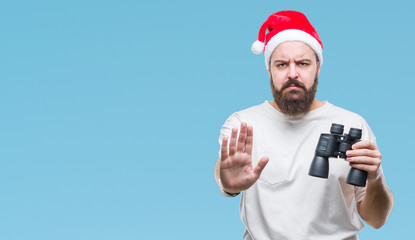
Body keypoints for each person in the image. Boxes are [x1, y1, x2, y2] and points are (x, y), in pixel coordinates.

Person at [213, 10, 394, 240]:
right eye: (281, 65)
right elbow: (223, 170)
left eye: (302, 63)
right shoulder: (245, 123)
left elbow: (377, 220)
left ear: (318, 67)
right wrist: (228, 184)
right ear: (269, 69)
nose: (292, 73)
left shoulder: (351, 124)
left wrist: (375, 177)